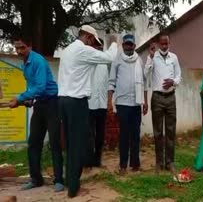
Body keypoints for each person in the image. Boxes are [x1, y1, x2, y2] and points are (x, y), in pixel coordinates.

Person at [58, 25, 117, 197]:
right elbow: (108, 57)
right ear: (89, 37)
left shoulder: (67, 50)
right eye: (94, 41)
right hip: (76, 102)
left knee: (70, 143)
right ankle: (74, 188)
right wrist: (114, 43)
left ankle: (70, 180)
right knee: (78, 144)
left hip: (63, 100)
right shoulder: (82, 50)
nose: (94, 45)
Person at [8, 34, 64, 192]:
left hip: (52, 103)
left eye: (22, 48)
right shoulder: (25, 63)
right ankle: (36, 179)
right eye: (17, 48)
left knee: (54, 143)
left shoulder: (38, 60)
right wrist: (26, 101)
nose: (19, 51)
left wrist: (18, 98)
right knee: (33, 142)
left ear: (30, 46)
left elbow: (40, 87)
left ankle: (59, 179)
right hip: (39, 103)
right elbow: (33, 88)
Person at [108, 34, 148, 176]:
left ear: (134, 46)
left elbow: (144, 83)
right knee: (124, 135)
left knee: (136, 135)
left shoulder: (139, 61)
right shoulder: (117, 60)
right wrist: (110, 102)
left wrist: (145, 101)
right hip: (122, 104)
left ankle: (135, 164)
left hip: (136, 103)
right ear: (123, 45)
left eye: (131, 45)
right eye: (126, 44)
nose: (128, 47)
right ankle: (123, 165)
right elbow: (111, 82)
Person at [144, 34, 181, 174]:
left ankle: (170, 162)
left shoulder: (174, 57)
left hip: (171, 98)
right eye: (162, 44)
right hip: (157, 98)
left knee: (171, 131)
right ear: (158, 44)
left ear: (169, 43)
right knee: (158, 132)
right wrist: (150, 56)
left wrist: (173, 82)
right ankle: (159, 162)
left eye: (166, 43)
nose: (164, 46)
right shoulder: (154, 58)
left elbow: (179, 76)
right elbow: (145, 74)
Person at [87, 38, 109, 167]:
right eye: (97, 47)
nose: (99, 49)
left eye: (101, 48)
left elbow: (106, 84)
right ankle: (88, 160)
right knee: (89, 134)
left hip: (102, 104)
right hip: (90, 104)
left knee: (100, 134)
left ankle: (97, 159)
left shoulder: (105, 64)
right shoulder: (89, 62)